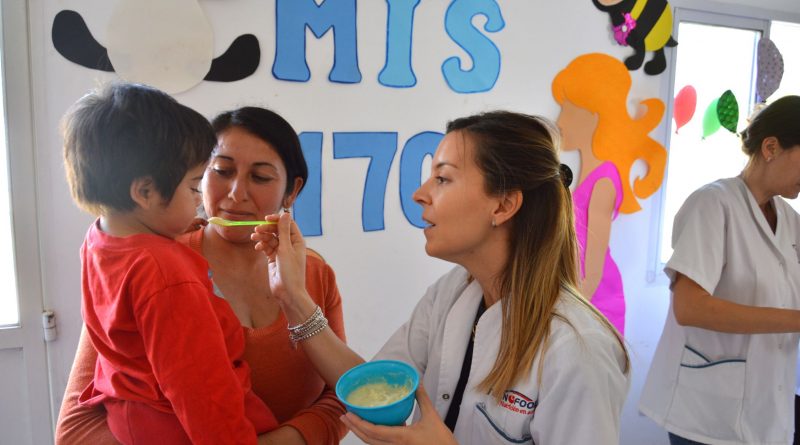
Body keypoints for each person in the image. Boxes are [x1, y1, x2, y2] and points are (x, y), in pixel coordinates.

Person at [255, 111, 631, 444]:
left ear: (503, 205)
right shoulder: (452, 293)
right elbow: (370, 386)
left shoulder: (578, 351)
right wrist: (293, 296)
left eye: (443, 178)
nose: (420, 195)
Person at [56, 106, 350, 445]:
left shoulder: (316, 274)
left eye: (260, 177)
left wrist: (295, 297)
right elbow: (75, 431)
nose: (236, 193)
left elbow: (348, 395)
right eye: (221, 171)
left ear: (292, 191)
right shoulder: (151, 270)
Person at [639, 95, 800, 445]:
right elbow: (690, 307)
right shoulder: (713, 203)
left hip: (767, 410)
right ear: (771, 147)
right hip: (706, 412)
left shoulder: (791, 222)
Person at [551, 53, 668, 335]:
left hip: (595, 304)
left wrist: (566, 312)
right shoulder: (589, 176)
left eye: (567, 110)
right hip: (578, 298)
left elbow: (593, 270)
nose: (559, 121)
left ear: (593, 116)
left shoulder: (603, 182)